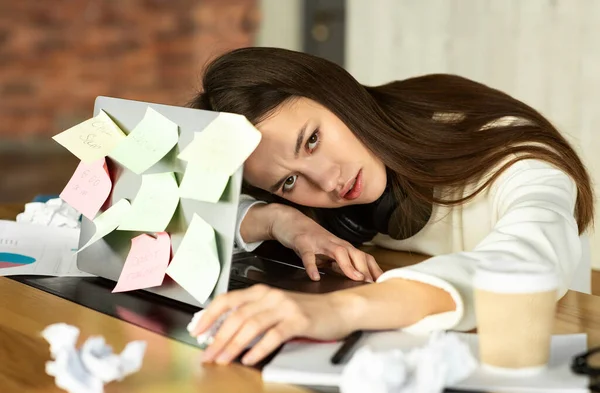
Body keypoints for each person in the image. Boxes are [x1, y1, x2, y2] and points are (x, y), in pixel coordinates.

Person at [187, 47, 593, 366]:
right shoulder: (324, 197)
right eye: (289, 182)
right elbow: (189, 210)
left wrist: (339, 310)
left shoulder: (507, 148)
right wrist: (277, 219)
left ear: (335, 93)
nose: (329, 182)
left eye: (312, 140)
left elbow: (528, 261)